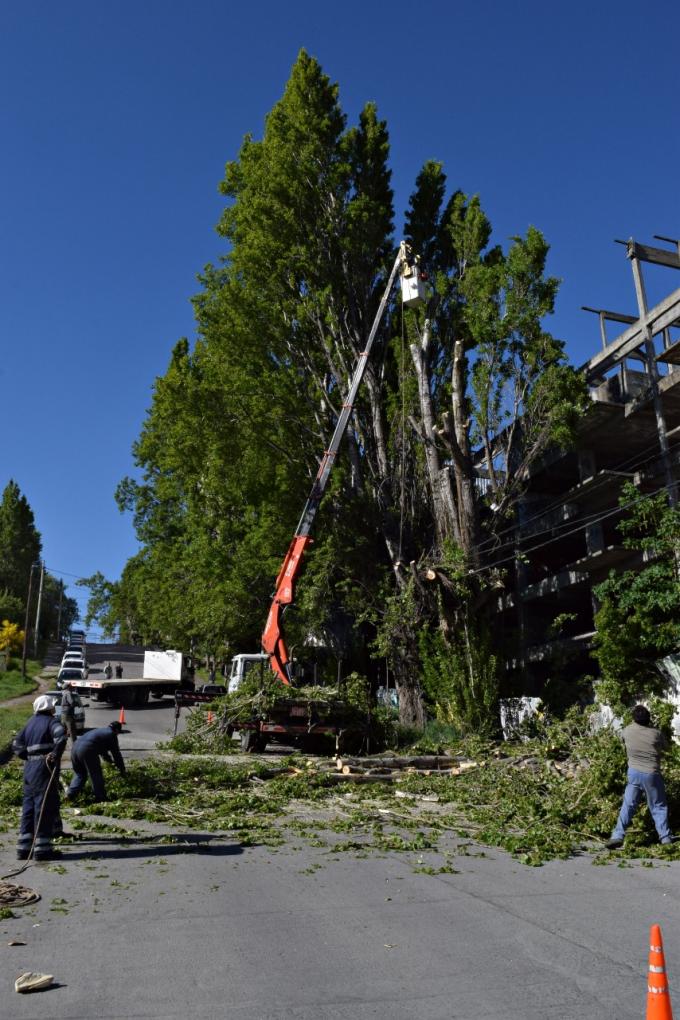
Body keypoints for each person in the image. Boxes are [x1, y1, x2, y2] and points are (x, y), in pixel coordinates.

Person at [606, 704, 673, 849]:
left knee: (628, 804)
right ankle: (665, 837)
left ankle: (617, 835)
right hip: (651, 774)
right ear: (648, 719)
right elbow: (667, 747)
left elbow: (622, 741)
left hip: (633, 773)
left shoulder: (626, 731)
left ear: (634, 718)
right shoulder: (656, 733)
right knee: (658, 806)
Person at [12, 695, 67, 861]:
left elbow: (16, 746)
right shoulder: (52, 722)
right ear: (49, 708)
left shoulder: (29, 723)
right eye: (53, 707)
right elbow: (61, 738)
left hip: (29, 769)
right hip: (44, 768)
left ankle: (24, 848)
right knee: (43, 807)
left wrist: (28, 757)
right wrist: (55, 755)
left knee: (28, 807)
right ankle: (42, 849)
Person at [67, 721, 127, 802]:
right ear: (116, 730)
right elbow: (117, 755)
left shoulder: (101, 732)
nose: (117, 734)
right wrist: (122, 770)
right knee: (95, 774)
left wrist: (110, 763)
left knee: (80, 773)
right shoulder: (111, 734)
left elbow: (104, 753)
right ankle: (101, 798)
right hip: (87, 750)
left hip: (75, 748)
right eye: (118, 733)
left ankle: (71, 794)